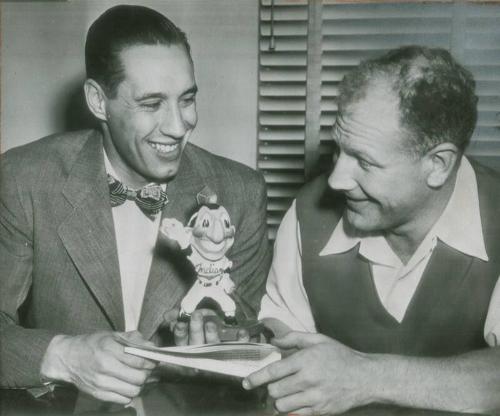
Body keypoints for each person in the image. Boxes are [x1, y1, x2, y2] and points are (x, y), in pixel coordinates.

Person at [0, 5, 271, 405]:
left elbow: (249, 335)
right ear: (97, 101)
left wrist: (215, 339)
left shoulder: (241, 192)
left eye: (187, 99)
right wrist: (62, 355)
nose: (179, 126)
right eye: (151, 104)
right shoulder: (24, 179)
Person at [244, 46, 500, 415]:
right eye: (338, 151)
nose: (336, 179)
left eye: (364, 161)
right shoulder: (309, 214)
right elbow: (279, 337)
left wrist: (366, 377)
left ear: (438, 165)